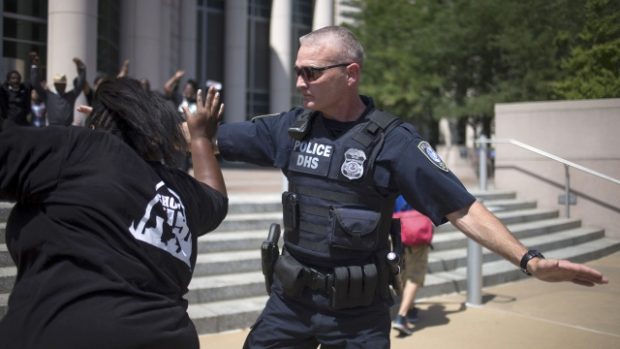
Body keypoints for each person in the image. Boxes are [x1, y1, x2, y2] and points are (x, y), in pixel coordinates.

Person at [215, 26, 608, 349]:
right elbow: (205, 138)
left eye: (312, 72)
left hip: (358, 315)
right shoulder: (289, 128)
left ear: (350, 74)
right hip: (290, 305)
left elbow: (462, 208)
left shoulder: (394, 141)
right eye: (299, 71)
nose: (300, 82)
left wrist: (530, 261)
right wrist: (177, 131)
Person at [0, 77, 228, 349]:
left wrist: (84, 136)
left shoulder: (78, 147)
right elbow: (216, 198)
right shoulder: (178, 190)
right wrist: (200, 139)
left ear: (94, 126)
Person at [391, 195, 432, 336]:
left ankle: (411, 308)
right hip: (417, 231)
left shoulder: (392, 183)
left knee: (403, 274)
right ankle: (402, 317)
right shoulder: (419, 183)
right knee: (415, 276)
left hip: (398, 233)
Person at [30, 52, 87, 126]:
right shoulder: (48, 96)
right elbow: (35, 84)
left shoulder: (71, 96)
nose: (61, 86)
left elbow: (80, 84)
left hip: (67, 130)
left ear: (66, 85)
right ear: (55, 85)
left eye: (62, 84)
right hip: (53, 129)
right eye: (59, 84)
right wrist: (34, 66)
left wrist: (82, 68)